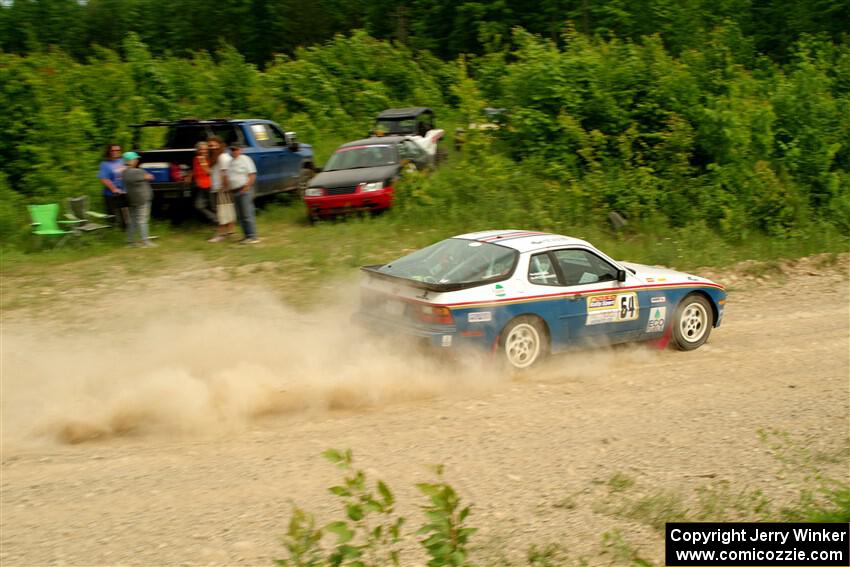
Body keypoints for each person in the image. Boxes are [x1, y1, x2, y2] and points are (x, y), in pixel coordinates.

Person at [121, 151, 156, 247]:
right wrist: (147, 176)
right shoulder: (137, 171)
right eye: (135, 159)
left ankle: (130, 242)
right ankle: (145, 242)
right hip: (143, 199)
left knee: (132, 220)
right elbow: (151, 177)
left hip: (132, 199)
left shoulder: (124, 173)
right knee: (143, 220)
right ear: (130, 161)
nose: (137, 160)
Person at [227, 143, 259, 244]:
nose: (233, 151)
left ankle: (252, 236)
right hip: (235, 190)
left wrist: (247, 186)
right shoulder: (231, 162)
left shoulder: (245, 159)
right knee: (240, 215)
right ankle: (246, 235)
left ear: (240, 150)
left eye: (235, 149)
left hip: (244, 189)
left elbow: (252, 174)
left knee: (247, 213)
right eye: (232, 150)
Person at [207, 136, 234, 242]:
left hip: (222, 189)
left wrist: (224, 188)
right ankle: (228, 232)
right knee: (225, 212)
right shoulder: (216, 157)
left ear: (220, 144)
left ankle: (220, 235)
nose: (212, 147)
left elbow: (225, 174)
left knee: (222, 213)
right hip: (217, 187)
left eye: (214, 145)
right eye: (210, 146)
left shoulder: (222, 157)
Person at [97, 143, 128, 228]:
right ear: (109, 151)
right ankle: (111, 233)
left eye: (118, 150)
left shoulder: (122, 161)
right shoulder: (105, 164)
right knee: (112, 216)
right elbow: (103, 178)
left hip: (124, 192)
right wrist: (114, 189)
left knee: (125, 216)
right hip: (111, 195)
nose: (115, 152)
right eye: (113, 150)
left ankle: (126, 232)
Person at [189, 141, 216, 224]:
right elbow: (194, 169)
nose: (203, 151)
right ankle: (216, 219)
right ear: (198, 150)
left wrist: (203, 162)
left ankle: (222, 223)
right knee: (199, 206)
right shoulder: (196, 158)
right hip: (200, 186)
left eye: (205, 149)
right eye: (201, 149)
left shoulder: (210, 159)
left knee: (214, 206)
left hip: (209, 185)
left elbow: (210, 172)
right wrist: (189, 176)